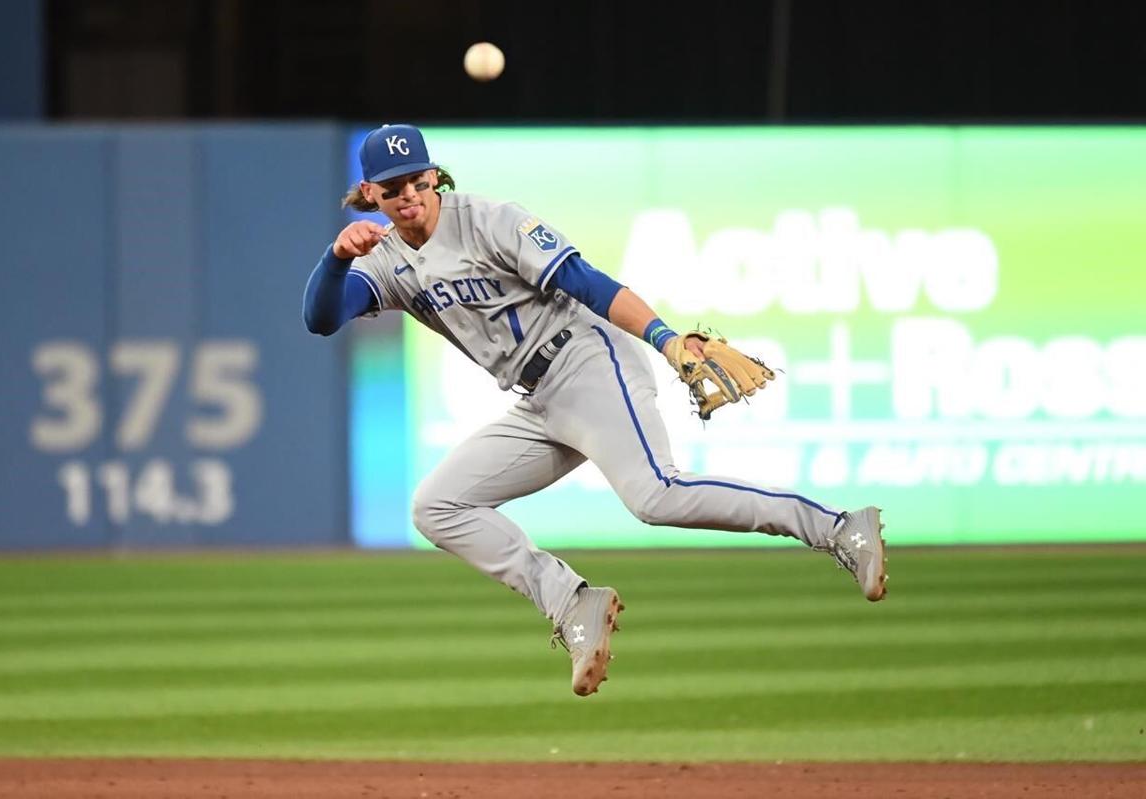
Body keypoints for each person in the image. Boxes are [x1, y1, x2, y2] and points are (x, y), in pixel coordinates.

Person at [303, 124, 888, 697]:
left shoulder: (488, 220)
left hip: (587, 361)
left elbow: (588, 282)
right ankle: (572, 602)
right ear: (370, 193)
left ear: (433, 175)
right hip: (539, 399)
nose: (407, 194)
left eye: (415, 179)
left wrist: (664, 339)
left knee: (657, 496)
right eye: (391, 185)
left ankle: (838, 528)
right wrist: (335, 258)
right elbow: (322, 318)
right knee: (437, 506)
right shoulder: (383, 260)